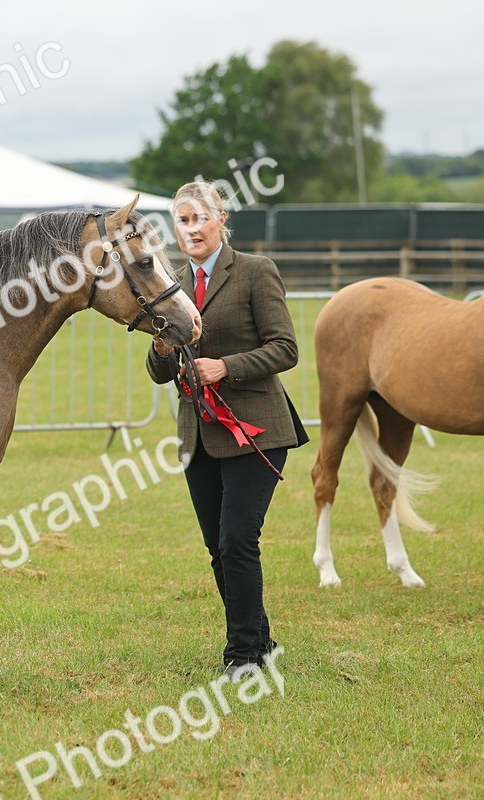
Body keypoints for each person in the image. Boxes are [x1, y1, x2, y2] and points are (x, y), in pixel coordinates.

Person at [146, 180, 308, 680]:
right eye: (182, 221)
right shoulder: (169, 283)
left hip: (257, 431)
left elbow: (286, 348)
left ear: (220, 220)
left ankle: (242, 657)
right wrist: (160, 352)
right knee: (218, 546)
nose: (190, 229)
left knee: (238, 539)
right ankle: (259, 641)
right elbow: (159, 372)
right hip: (198, 435)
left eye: (199, 219)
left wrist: (225, 367)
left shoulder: (256, 272)